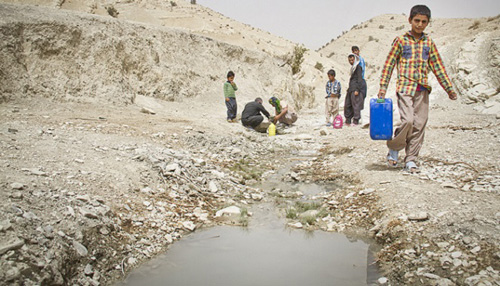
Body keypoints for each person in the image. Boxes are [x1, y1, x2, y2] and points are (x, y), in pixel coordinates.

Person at [378, 5, 457, 173]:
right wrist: (383, 88)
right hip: (405, 88)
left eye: (424, 22)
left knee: (419, 125)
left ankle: (411, 159)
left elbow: (438, 67)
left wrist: (449, 89)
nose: (420, 24)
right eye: (417, 21)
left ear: (428, 23)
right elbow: (389, 65)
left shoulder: (429, 43)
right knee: (408, 121)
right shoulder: (400, 41)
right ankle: (394, 149)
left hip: (422, 89)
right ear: (410, 20)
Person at [344, 54, 364, 126]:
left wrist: (357, 89)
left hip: (355, 88)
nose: (351, 62)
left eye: (352, 60)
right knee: (348, 104)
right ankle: (348, 120)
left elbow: (359, 79)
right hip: (351, 88)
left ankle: (356, 120)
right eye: (349, 60)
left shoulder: (358, 67)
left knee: (356, 105)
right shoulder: (353, 68)